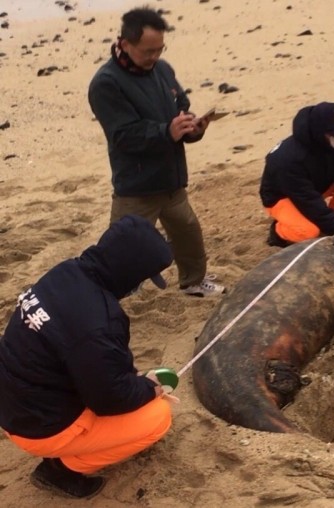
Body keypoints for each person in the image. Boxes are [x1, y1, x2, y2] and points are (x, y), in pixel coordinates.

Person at [0, 215, 178, 499]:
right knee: (157, 417)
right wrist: (151, 388)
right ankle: (61, 469)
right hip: (36, 425)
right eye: (143, 278)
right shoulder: (99, 322)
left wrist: (131, 382)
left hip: (13, 401)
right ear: (130, 272)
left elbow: (91, 362)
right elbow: (111, 399)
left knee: (124, 382)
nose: (140, 287)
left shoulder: (66, 271)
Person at [88, 7, 225, 296]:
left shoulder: (163, 69)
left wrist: (193, 127)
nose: (154, 56)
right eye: (147, 51)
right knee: (122, 248)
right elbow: (122, 135)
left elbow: (181, 108)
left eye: (159, 49)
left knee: (188, 233)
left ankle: (193, 282)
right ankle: (106, 295)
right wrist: (167, 131)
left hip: (171, 177)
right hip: (136, 186)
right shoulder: (106, 83)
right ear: (124, 44)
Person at [259, 102, 334, 246]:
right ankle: (278, 233)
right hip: (284, 196)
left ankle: (330, 222)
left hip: (319, 185)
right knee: (307, 232)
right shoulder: (288, 161)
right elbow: (309, 202)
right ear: (319, 133)